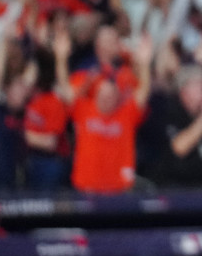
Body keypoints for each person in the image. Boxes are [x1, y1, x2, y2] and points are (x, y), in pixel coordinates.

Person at [55, 32, 152, 193]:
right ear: (95, 96)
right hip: (87, 186)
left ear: (117, 98)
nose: (106, 98)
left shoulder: (126, 113)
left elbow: (143, 91)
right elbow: (66, 89)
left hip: (119, 187)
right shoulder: (84, 110)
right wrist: (60, 58)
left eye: (111, 95)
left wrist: (144, 64)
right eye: (102, 95)